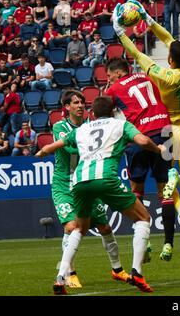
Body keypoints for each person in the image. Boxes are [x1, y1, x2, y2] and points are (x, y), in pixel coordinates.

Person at [36, 96, 164, 295]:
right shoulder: (121, 124)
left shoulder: (81, 130)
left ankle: (61, 278)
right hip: (105, 179)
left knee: (79, 228)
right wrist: (158, 149)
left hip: (79, 182)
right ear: (113, 111)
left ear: (92, 113)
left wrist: (42, 152)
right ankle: (137, 272)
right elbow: (143, 140)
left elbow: (53, 146)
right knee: (143, 218)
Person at [113, 0, 180, 247]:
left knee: (164, 185)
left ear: (170, 60)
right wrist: (149, 21)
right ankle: (178, 186)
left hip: (169, 128)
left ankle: (174, 197)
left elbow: (138, 54)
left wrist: (121, 33)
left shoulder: (166, 77)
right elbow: (170, 40)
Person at [47, 90, 131, 289]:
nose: (80, 105)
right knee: (71, 227)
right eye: (75, 102)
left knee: (105, 228)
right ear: (66, 107)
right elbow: (68, 148)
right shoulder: (60, 126)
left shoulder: (89, 126)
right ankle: (70, 273)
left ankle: (117, 270)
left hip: (86, 180)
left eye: (82, 102)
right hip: (64, 185)